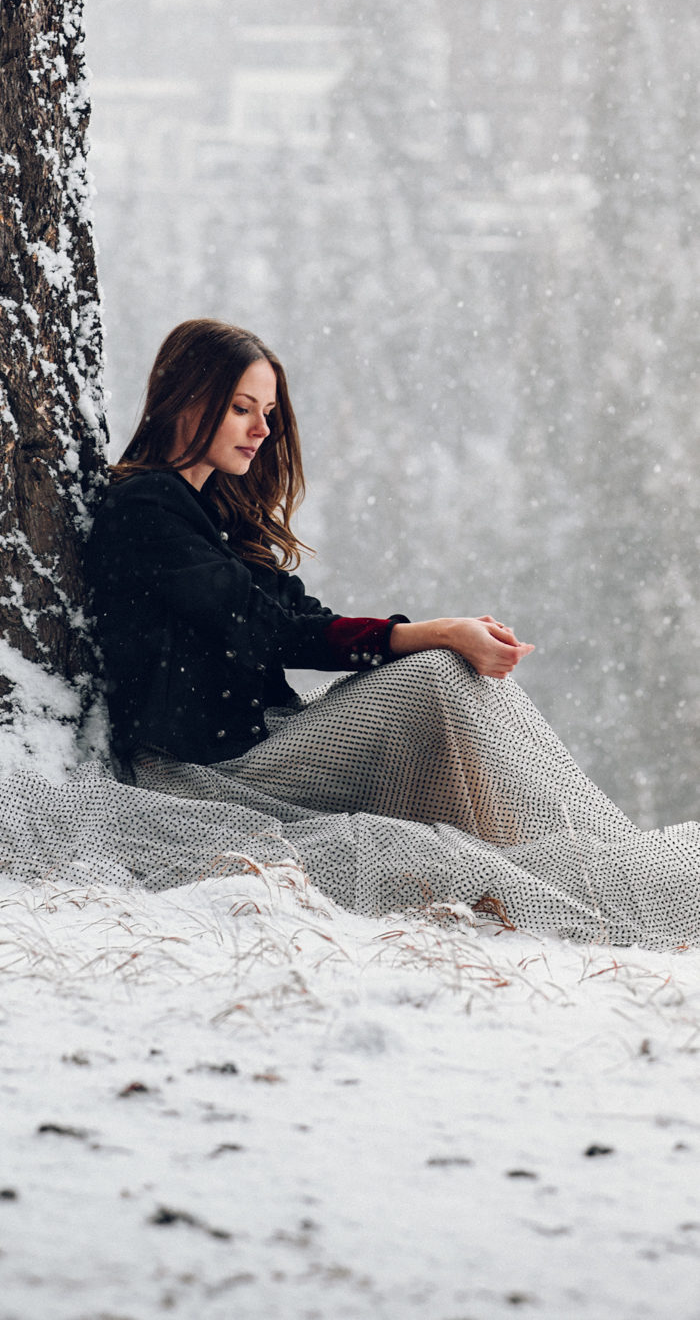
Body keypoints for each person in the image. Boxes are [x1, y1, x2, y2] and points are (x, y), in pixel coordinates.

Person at [79, 316, 700, 948]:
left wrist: (438, 634)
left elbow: (302, 616)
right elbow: (272, 631)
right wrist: (432, 632)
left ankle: (601, 864)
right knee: (434, 674)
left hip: (259, 740)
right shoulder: (145, 509)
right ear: (187, 398)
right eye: (242, 409)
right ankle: (606, 877)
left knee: (448, 683)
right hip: (200, 772)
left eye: (267, 411)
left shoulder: (214, 510)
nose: (263, 430)